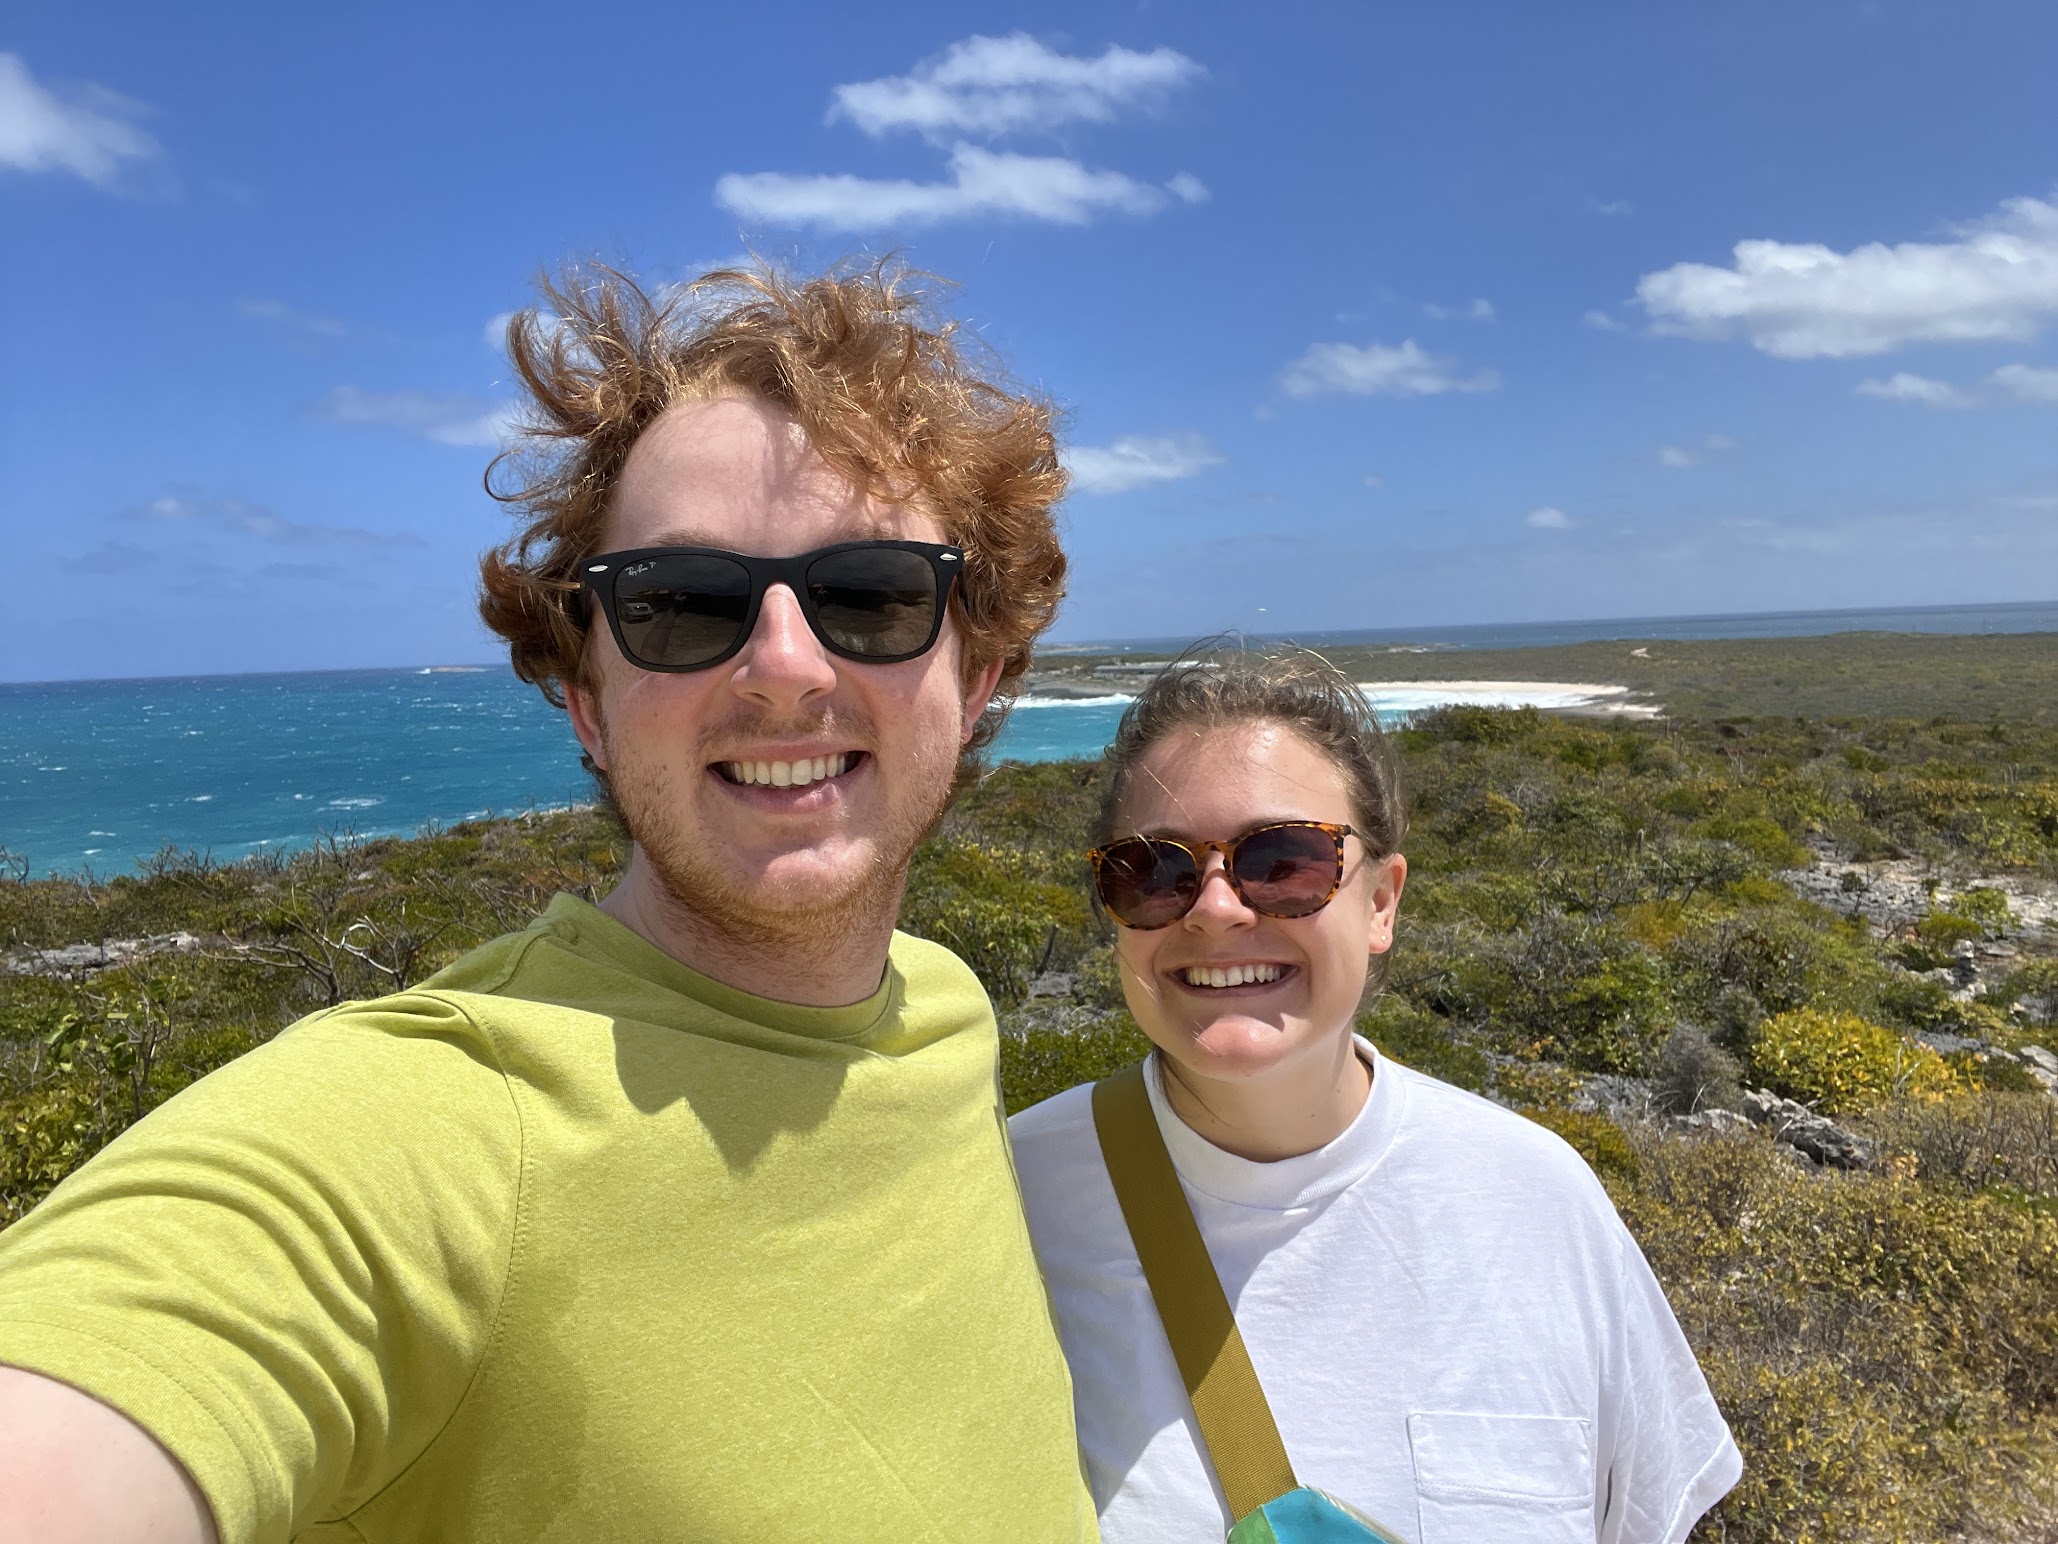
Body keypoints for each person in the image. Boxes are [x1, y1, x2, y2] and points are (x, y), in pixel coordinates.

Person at [0, 265, 1100, 1542]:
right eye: (680, 603)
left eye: (873, 593)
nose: (785, 666)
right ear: (586, 703)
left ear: (979, 678)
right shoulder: (431, 1131)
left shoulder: (944, 1006)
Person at [1009, 649, 1741, 1543]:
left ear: (1381, 903)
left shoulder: (1541, 1205)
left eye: (1284, 861)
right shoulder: (1010, 1207)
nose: (1215, 908)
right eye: (1155, 872)